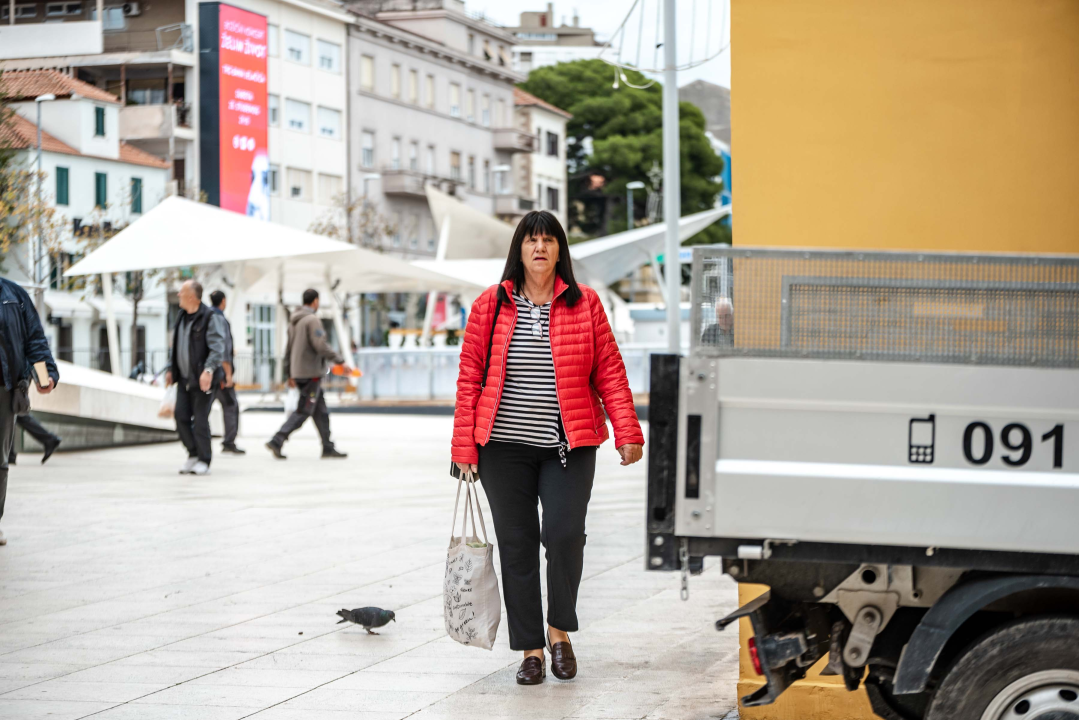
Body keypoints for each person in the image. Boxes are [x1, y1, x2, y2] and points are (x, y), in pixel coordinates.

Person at [451, 210, 645, 685]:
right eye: (531, 240)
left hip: (568, 446)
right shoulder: (489, 306)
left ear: (560, 249)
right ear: (519, 249)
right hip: (502, 449)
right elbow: (469, 380)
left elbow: (611, 375)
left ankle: (560, 631)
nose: (539, 248)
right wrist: (464, 448)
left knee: (562, 535)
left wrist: (628, 431)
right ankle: (531, 651)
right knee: (516, 547)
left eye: (548, 240)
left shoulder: (587, 305)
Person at [0, 277, 59, 546]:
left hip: (5, 387)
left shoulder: (13, 294)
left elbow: (34, 337)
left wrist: (45, 374)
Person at [266, 289, 348, 460]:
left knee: (321, 411)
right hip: (311, 373)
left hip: (299, 372)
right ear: (315, 301)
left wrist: (289, 373)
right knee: (304, 410)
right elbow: (320, 345)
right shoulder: (312, 320)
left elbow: (287, 350)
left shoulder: (293, 321)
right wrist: (339, 360)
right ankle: (278, 439)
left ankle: (327, 446)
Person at [165, 280, 226, 476]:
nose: (178, 295)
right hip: (184, 379)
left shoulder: (210, 317)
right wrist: (170, 369)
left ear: (192, 296)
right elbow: (176, 347)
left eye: (181, 292)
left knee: (200, 419)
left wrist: (208, 370)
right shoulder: (181, 316)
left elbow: (217, 347)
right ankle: (192, 454)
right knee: (181, 417)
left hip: (204, 380)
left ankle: (204, 459)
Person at [209, 290, 244, 455]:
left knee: (204, 407)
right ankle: (229, 442)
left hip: (207, 371)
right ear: (223, 301)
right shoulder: (221, 320)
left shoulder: (205, 317)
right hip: (220, 374)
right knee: (231, 406)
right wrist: (228, 374)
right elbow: (223, 349)